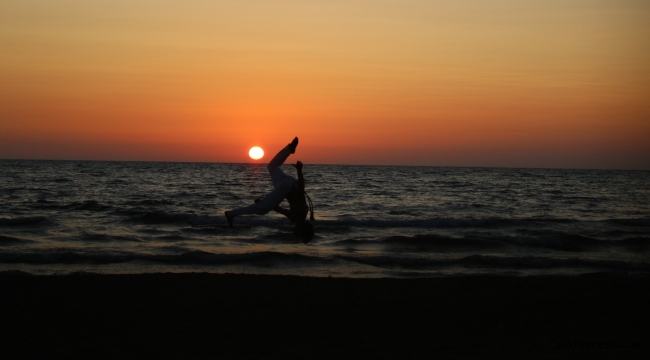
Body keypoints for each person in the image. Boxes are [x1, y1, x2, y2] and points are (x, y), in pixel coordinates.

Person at [225, 137, 315, 243]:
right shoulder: (301, 214)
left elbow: (279, 209)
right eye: (299, 234)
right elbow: (301, 190)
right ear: (302, 230)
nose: (295, 233)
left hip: (286, 183)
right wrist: (299, 171)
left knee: (272, 166)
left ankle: (289, 149)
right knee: (262, 209)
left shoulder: (294, 219)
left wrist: (264, 202)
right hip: (288, 186)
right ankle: (231, 214)